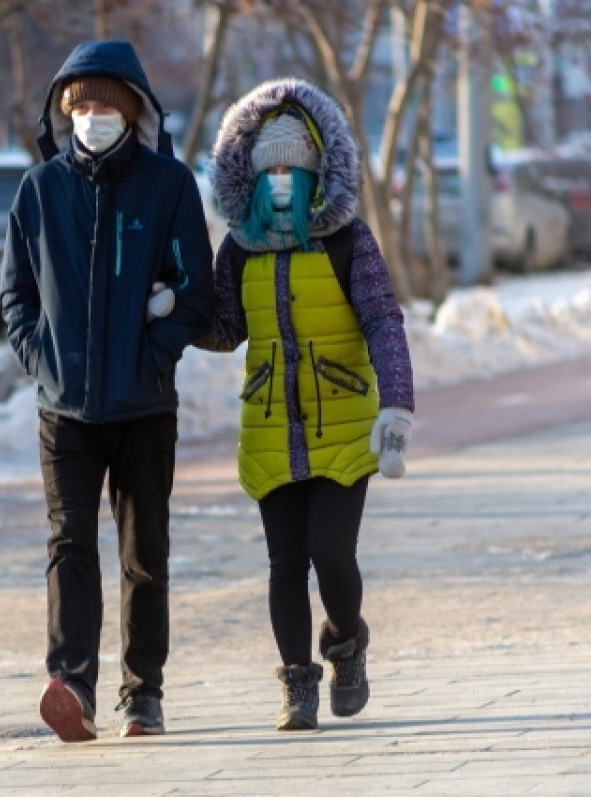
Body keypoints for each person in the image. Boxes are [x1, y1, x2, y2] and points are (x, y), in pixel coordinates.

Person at [0, 40, 214, 742]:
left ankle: (142, 693)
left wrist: (156, 353)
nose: (90, 115)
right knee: (69, 545)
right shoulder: (39, 190)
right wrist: (42, 360)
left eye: (104, 105)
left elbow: (195, 292)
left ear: (132, 111)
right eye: (79, 105)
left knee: (144, 552)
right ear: (64, 112)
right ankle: (72, 685)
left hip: (144, 404)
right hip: (64, 409)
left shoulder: (168, 185)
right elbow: (16, 296)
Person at [195, 77, 415, 731]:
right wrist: (174, 309)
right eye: (272, 169)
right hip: (270, 426)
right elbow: (226, 329)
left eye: (295, 168)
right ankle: (297, 684)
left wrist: (396, 409)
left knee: (331, 552)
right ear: (253, 176)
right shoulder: (240, 248)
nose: (283, 179)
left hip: (344, 423)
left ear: (319, 170)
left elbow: (383, 321)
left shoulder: (349, 240)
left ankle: (346, 640)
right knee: (285, 563)